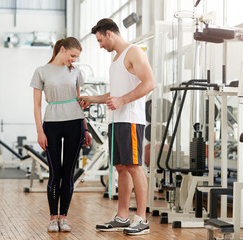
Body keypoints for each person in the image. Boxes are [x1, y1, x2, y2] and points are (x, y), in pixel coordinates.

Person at [80, 18, 155, 235]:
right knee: (121, 168)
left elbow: (149, 83)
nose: (100, 45)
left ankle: (142, 219)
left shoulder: (134, 52)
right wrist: (92, 99)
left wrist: (122, 100)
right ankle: (122, 217)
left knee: (134, 166)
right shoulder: (116, 60)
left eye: (100, 40)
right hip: (116, 120)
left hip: (130, 119)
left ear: (110, 33)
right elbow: (114, 95)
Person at [30, 37, 92, 233]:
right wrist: (40, 131)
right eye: (72, 55)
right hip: (52, 125)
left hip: (75, 123)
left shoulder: (75, 72)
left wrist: (86, 128)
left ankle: (63, 217)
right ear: (62, 49)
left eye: (76, 57)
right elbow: (37, 105)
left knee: (68, 173)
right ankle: (52, 218)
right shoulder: (41, 71)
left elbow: (80, 101)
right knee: (55, 172)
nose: (74, 60)